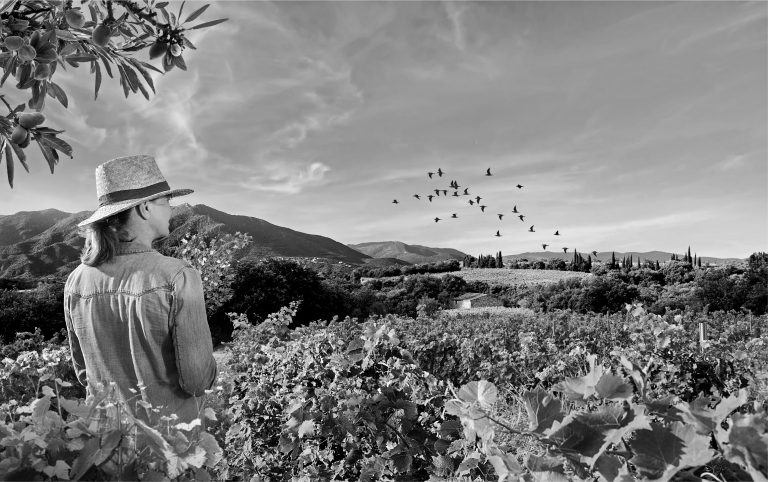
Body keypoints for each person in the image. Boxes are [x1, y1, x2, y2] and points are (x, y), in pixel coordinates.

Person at [64, 154, 217, 424]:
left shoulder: (76, 281)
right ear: (145, 208)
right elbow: (197, 381)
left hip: (104, 441)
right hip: (169, 446)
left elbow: (83, 373)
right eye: (166, 201)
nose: (171, 209)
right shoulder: (178, 276)